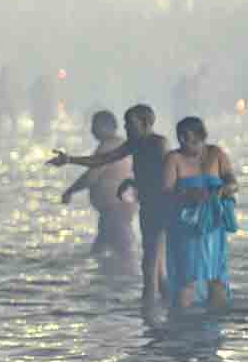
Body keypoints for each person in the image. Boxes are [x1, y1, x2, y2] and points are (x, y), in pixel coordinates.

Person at [49, 104, 171, 319]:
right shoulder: (135, 144)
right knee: (153, 264)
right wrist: (69, 159)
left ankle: (149, 315)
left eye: (130, 123)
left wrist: (136, 185)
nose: (126, 127)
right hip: (145, 208)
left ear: (146, 123)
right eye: (125, 123)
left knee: (149, 262)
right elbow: (102, 160)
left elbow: (167, 176)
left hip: (158, 208)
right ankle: (167, 310)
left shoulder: (157, 144)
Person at [162, 117, 238, 313]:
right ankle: (181, 327)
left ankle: (214, 331)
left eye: (192, 139)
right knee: (188, 278)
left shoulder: (216, 153)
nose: (186, 143)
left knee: (217, 278)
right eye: (182, 139)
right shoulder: (173, 158)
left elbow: (232, 180)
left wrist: (226, 188)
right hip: (187, 227)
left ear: (202, 137)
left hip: (214, 227)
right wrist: (188, 195)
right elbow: (166, 192)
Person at [61, 110, 137, 266]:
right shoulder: (120, 144)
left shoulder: (107, 147)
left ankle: (123, 282)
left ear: (106, 127)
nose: (92, 130)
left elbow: (91, 176)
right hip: (120, 207)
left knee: (124, 252)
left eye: (94, 125)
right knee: (102, 250)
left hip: (115, 208)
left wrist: (71, 190)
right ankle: (105, 284)